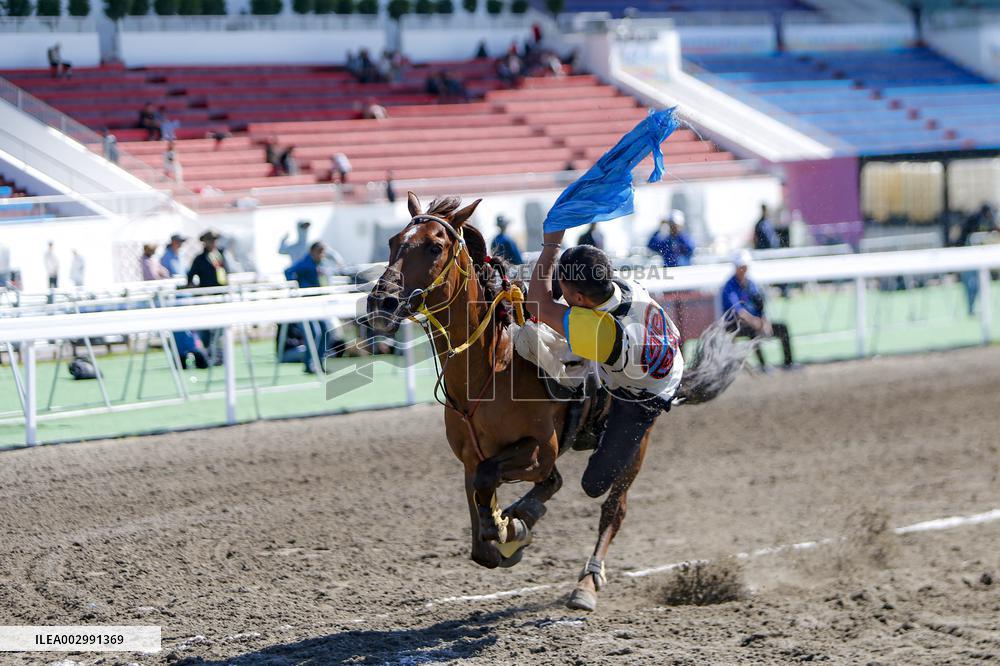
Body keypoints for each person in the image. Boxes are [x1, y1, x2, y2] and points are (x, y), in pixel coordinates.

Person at [527, 239, 684, 500]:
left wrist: (551, 244)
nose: (558, 289)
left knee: (594, 484)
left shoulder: (600, 333)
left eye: (562, 288)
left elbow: (537, 304)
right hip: (655, 348)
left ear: (579, 298)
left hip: (647, 394)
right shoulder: (615, 283)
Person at [720, 251, 797, 371]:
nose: (744, 270)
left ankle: (789, 363)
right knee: (753, 330)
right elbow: (738, 312)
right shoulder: (729, 286)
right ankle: (763, 365)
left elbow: (760, 304)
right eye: (742, 267)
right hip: (735, 325)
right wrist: (755, 322)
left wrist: (764, 321)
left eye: (745, 267)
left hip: (755, 321)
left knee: (782, 328)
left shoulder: (751, 283)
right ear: (737, 268)